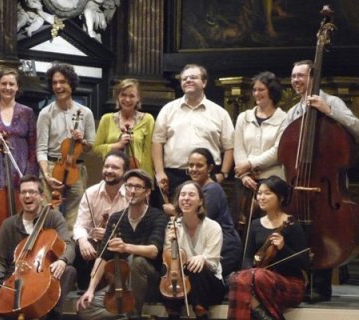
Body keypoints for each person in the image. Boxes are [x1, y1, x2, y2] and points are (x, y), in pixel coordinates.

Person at [282, 60, 359, 303]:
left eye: (300, 76)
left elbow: (357, 128)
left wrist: (329, 111)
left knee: (326, 225)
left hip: (328, 185)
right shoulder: (294, 111)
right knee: (299, 231)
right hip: (300, 185)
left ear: (313, 77)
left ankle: (322, 283)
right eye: (293, 76)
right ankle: (302, 283)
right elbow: (281, 148)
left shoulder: (333, 102)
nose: (295, 81)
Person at [0, 174, 76, 320]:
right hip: (14, 276)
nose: (27, 196)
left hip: (44, 275)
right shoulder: (9, 224)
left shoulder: (53, 217)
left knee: (69, 271)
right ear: (19, 196)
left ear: (41, 196)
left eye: (32, 192)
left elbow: (69, 244)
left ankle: (47, 313)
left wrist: (63, 260)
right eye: (23, 192)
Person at [76, 169, 169, 319]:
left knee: (136, 261)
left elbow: (154, 251)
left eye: (138, 187)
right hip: (121, 285)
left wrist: (126, 247)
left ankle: (131, 315)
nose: (132, 191)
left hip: (149, 283)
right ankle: (126, 315)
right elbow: (102, 257)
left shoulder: (157, 216)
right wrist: (90, 289)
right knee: (85, 309)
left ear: (147, 193)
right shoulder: (116, 218)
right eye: (129, 186)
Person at [227, 175, 309, 320]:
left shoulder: (292, 225)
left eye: (267, 193)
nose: (261, 197)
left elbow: (304, 263)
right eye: (259, 193)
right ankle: (264, 314)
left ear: (281, 198)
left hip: (289, 284)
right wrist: (249, 273)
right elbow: (247, 257)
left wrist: (283, 248)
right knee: (238, 278)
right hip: (257, 282)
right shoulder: (255, 224)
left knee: (257, 276)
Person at [152, 64, 234, 199]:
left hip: (207, 178)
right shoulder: (168, 110)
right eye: (184, 79)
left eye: (193, 77)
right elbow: (157, 142)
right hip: (174, 176)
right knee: (174, 218)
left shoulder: (220, 113)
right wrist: (160, 172)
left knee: (205, 217)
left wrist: (223, 174)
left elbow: (229, 147)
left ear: (204, 82)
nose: (188, 80)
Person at [164, 148, 242, 280]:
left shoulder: (213, 189)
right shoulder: (196, 188)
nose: (194, 169)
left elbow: (198, 217)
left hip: (223, 249)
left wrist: (174, 210)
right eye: (191, 165)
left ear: (210, 168)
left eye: (199, 165)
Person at [36, 62, 96, 232]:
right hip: (52, 166)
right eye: (54, 83)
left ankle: (70, 254)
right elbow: (41, 149)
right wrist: (46, 175)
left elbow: (90, 146)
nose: (58, 86)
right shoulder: (45, 113)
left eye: (62, 82)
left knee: (75, 217)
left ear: (71, 83)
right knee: (48, 215)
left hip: (77, 168)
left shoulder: (85, 113)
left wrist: (82, 141)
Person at [162, 181, 226, 320]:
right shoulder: (173, 225)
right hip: (182, 285)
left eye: (191, 195)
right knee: (168, 271)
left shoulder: (213, 227)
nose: (186, 198)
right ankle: (172, 313)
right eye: (182, 195)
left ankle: (201, 313)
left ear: (200, 201)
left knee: (197, 268)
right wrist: (173, 243)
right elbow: (168, 261)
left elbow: (214, 263)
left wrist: (203, 258)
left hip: (210, 286)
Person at [233, 71, 286, 231]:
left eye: (261, 89)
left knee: (266, 227)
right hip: (245, 180)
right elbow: (239, 147)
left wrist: (250, 164)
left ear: (272, 91)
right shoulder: (244, 116)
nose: (256, 93)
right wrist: (243, 174)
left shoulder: (284, 118)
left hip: (271, 180)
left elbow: (278, 150)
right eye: (254, 90)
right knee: (241, 226)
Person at [72, 150, 129, 290]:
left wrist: (109, 236)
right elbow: (80, 225)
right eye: (106, 166)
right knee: (79, 246)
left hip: (121, 247)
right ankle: (85, 291)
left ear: (125, 171)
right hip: (94, 247)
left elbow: (135, 230)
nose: (109, 170)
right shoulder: (91, 193)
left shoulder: (131, 195)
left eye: (115, 168)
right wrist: (83, 241)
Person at [0, 68, 38, 194]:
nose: (7, 87)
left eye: (11, 84)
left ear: (17, 87)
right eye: (3, 83)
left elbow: (33, 147)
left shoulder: (27, 112)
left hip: (20, 170)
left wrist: (30, 176)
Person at [93, 78, 154, 178]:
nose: (127, 100)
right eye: (123, 95)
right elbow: (96, 149)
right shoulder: (106, 119)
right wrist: (118, 145)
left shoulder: (147, 120)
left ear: (138, 98)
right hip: (112, 174)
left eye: (132, 96)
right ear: (118, 96)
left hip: (136, 174)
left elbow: (148, 154)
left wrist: (146, 179)